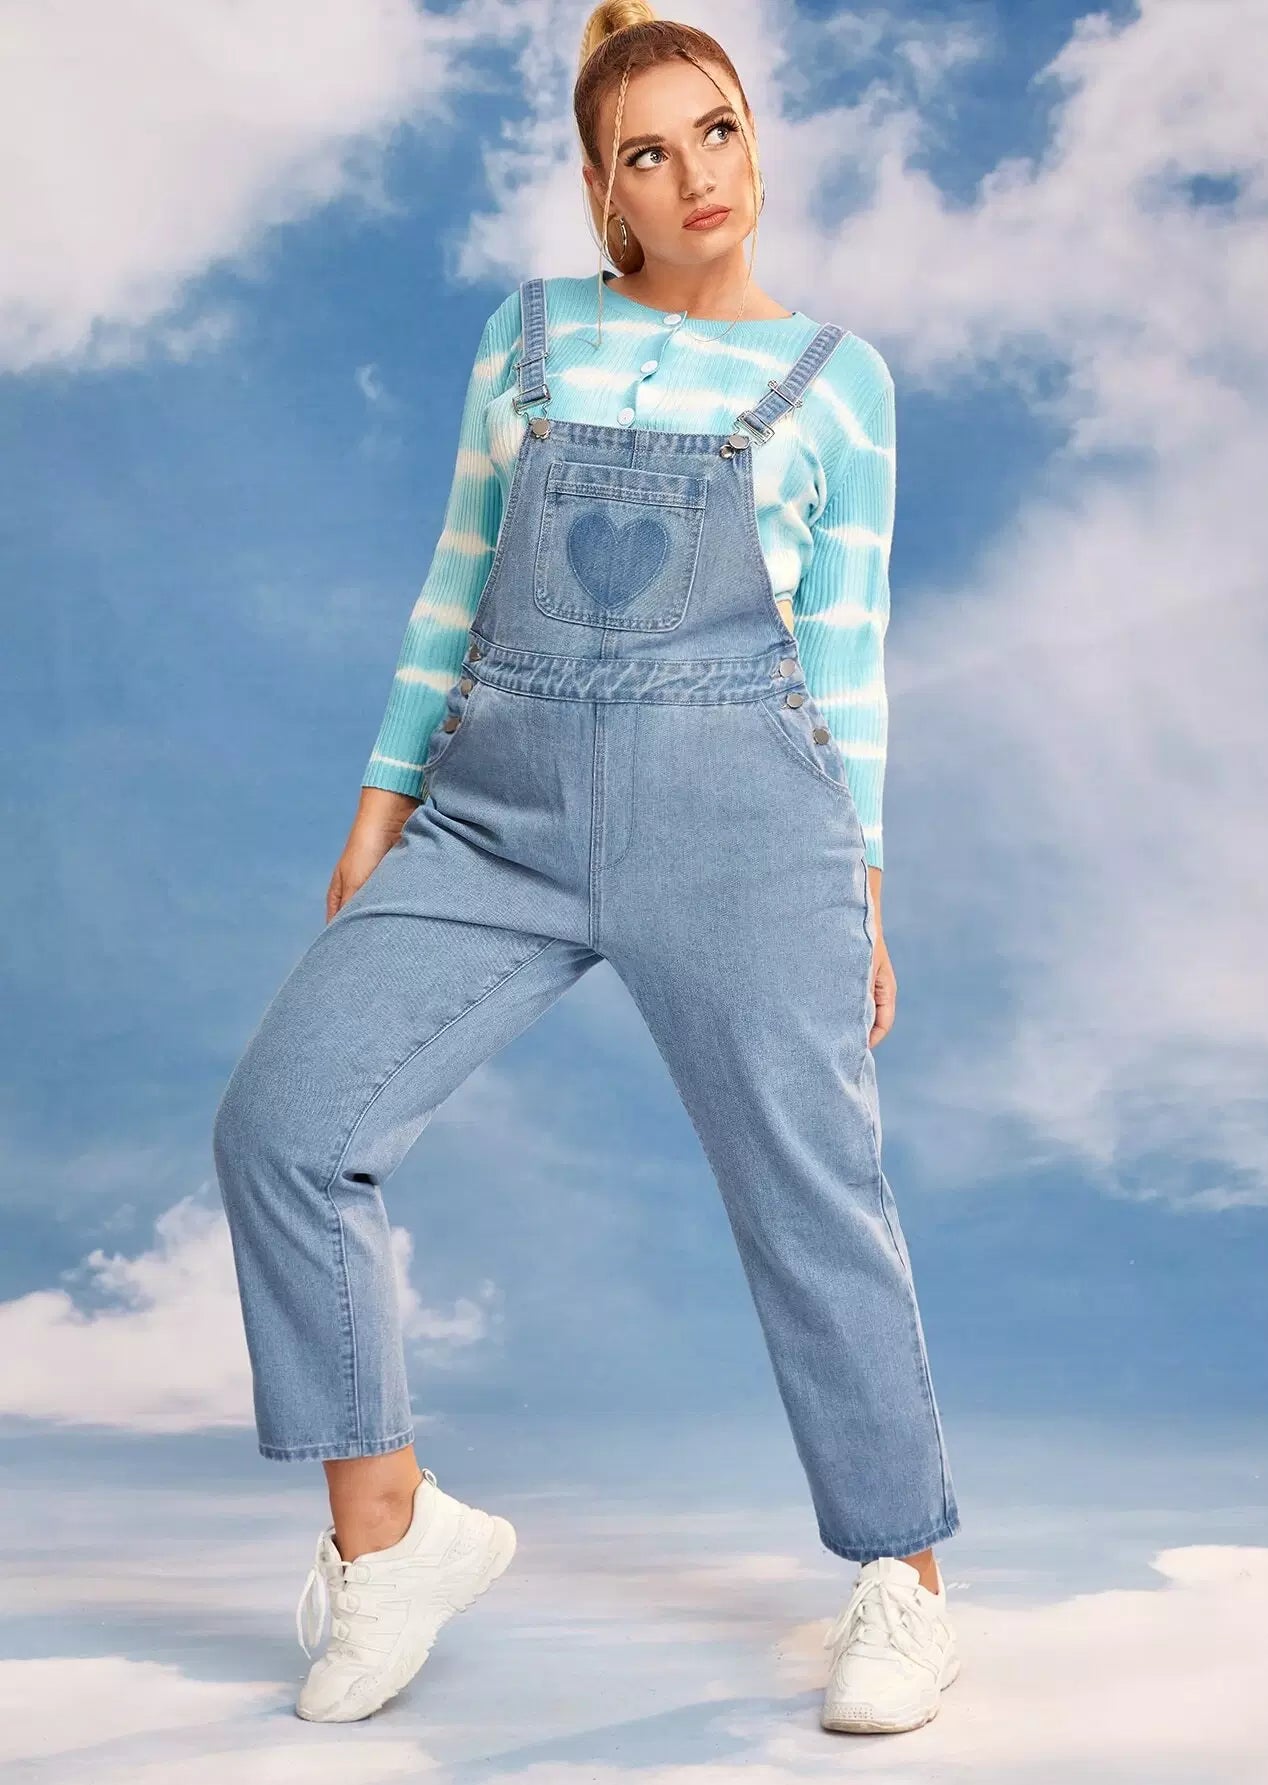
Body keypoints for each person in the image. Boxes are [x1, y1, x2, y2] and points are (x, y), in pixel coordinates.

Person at [212, 0, 961, 1735]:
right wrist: (384, 800)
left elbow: (847, 661)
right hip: (499, 812)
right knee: (285, 1125)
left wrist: (861, 890)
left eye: (721, 131)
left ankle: (904, 1582)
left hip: (749, 824)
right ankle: (390, 1535)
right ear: (603, 191)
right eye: (650, 152)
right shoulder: (530, 333)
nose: (699, 175)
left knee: (814, 1197)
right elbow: (458, 577)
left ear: (755, 141)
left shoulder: (842, 384)